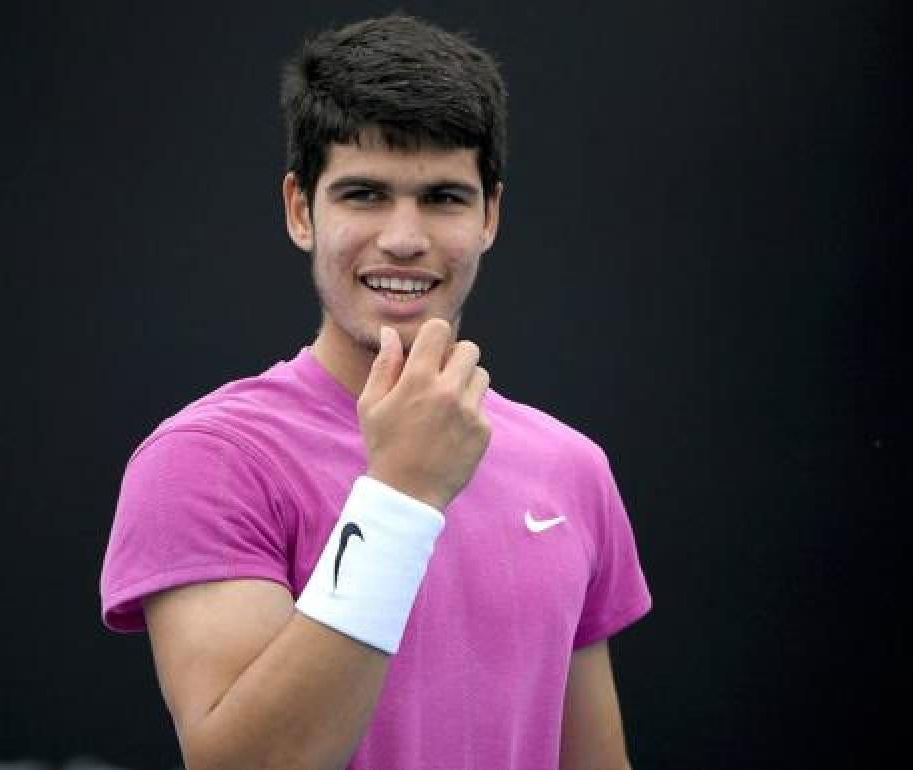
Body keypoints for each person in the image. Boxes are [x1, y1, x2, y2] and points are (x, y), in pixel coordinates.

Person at [99, 13, 650, 770]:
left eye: (443, 198)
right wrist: (402, 494)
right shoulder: (206, 459)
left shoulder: (571, 467)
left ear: (490, 214)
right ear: (301, 210)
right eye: (364, 193)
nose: (403, 237)